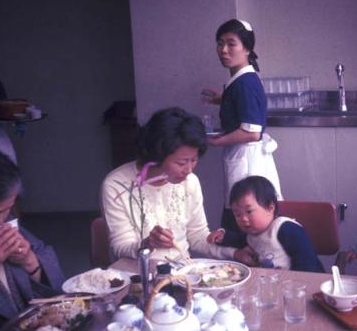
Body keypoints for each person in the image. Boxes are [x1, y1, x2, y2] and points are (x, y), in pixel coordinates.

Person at [100, 107, 255, 265]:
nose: (189, 170)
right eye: (181, 162)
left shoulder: (190, 182)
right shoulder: (116, 185)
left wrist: (235, 254)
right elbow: (120, 246)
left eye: (194, 160)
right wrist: (147, 244)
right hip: (139, 275)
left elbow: (198, 236)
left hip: (182, 273)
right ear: (156, 155)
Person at [201, 19, 282, 234]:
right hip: (245, 158)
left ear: (247, 48)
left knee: (244, 218)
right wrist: (224, 99)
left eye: (231, 44)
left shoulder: (244, 83)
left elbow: (252, 132)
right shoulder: (240, 80)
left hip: (248, 162)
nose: (223, 50)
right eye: (220, 43)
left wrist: (215, 141)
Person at [0, 150, 64, 330]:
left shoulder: (6, 222)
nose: (0, 220)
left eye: (7, 209)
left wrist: (30, 262)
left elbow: (57, 287)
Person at [207, 176, 324, 272]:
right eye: (237, 214)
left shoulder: (286, 228)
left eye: (249, 211)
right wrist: (223, 236)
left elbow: (307, 261)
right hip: (270, 285)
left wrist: (297, 286)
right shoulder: (252, 233)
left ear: (270, 207)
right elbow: (240, 240)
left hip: (298, 285)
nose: (243, 218)